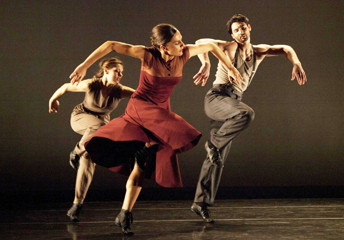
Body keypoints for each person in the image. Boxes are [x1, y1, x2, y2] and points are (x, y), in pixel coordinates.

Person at [69, 23, 242, 235]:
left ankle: (124, 213)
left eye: (181, 40)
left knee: (143, 163)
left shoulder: (184, 53)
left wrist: (228, 68)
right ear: (162, 47)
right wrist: (84, 65)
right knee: (180, 129)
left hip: (160, 112)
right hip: (141, 108)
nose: (182, 45)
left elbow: (212, 47)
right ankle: (212, 146)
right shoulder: (148, 55)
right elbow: (111, 44)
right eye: (176, 43)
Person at [191, 13, 307, 223]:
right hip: (218, 98)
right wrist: (206, 63)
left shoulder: (259, 51)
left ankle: (200, 203)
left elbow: (286, 48)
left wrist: (296, 63)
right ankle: (213, 144)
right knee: (246, 113)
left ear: (249, 28)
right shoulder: (227, 47)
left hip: (232, 104)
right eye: (236, 30)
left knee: (217, 159)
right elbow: (201, 42)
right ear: (232, 34)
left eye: (243, 28)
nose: (240, 32)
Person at [49, 57, 135, 222]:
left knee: (89, 158)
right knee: (100, 128)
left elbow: (141, 94)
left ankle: (77, 205)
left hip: (100, 127)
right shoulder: (92, 84)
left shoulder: (120, 90)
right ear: (106, 71)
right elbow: (66, 87)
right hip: (81, 118)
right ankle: (77, 149)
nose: (120, 75)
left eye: (122, 73)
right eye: (117, 71)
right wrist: (53, 99)